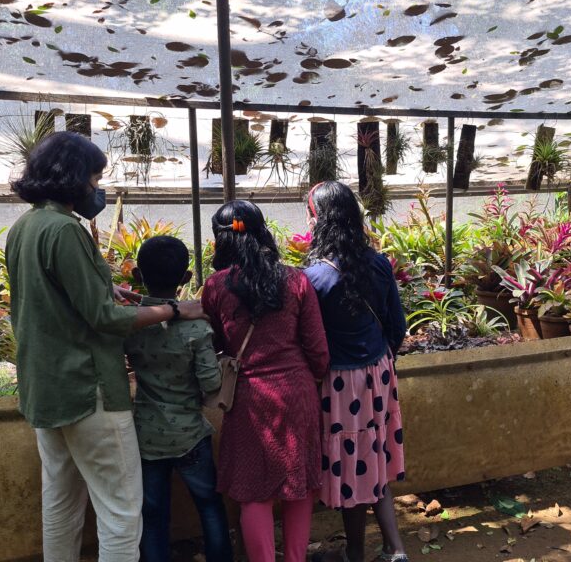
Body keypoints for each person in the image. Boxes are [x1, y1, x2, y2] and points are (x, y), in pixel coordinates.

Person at [6, 131, 205, 562]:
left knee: (61, 500)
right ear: (74, 177)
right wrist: (174, 310)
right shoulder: (66, 230)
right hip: (88, 390)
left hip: (45, 388)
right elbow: (103, 318)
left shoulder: (24, 227)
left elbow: (51, 295)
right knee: (121, 509)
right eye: (96, 178)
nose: (98, 188)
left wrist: (104, 284)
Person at [201, 200, 330, 562]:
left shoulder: (215, 287)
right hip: (297, 394)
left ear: (221, 240)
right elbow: (318, 351)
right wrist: (310, 380)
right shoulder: (296, 280)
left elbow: (217, 343)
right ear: (262, 231)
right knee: (299, 486)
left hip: (248, 399)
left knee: (253, 492)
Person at [303, 181, 409, 562]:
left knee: (352, 467)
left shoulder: (315, 278)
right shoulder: (379, 262)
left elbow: (311, 343)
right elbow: (398, 326)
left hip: (341, 383)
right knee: (373, 459)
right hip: (379, 374)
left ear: (320, 220)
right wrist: (379, 359)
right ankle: (395, 549)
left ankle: (356, 554)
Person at [123, 235, 233, 562]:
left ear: (137, 276)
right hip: (189, 436)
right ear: (185, 279)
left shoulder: (130, 325)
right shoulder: (197, 330)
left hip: (145, 437)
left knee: (153, 513)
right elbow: (211, 381)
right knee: (209, 506)